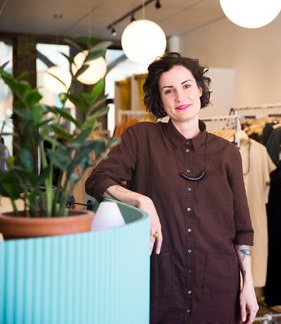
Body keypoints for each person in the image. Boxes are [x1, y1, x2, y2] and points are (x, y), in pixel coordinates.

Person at [86, 52, 259, 323]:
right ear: (160, 99)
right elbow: (97, 180)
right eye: (169, 91)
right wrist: (142, 201)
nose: (180, 97)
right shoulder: (141, 138)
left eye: (187, 86)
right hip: (160, 284)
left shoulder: (227, 153)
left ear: (200, 90)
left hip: (216, 288)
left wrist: (247, 284)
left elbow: (243, 231)